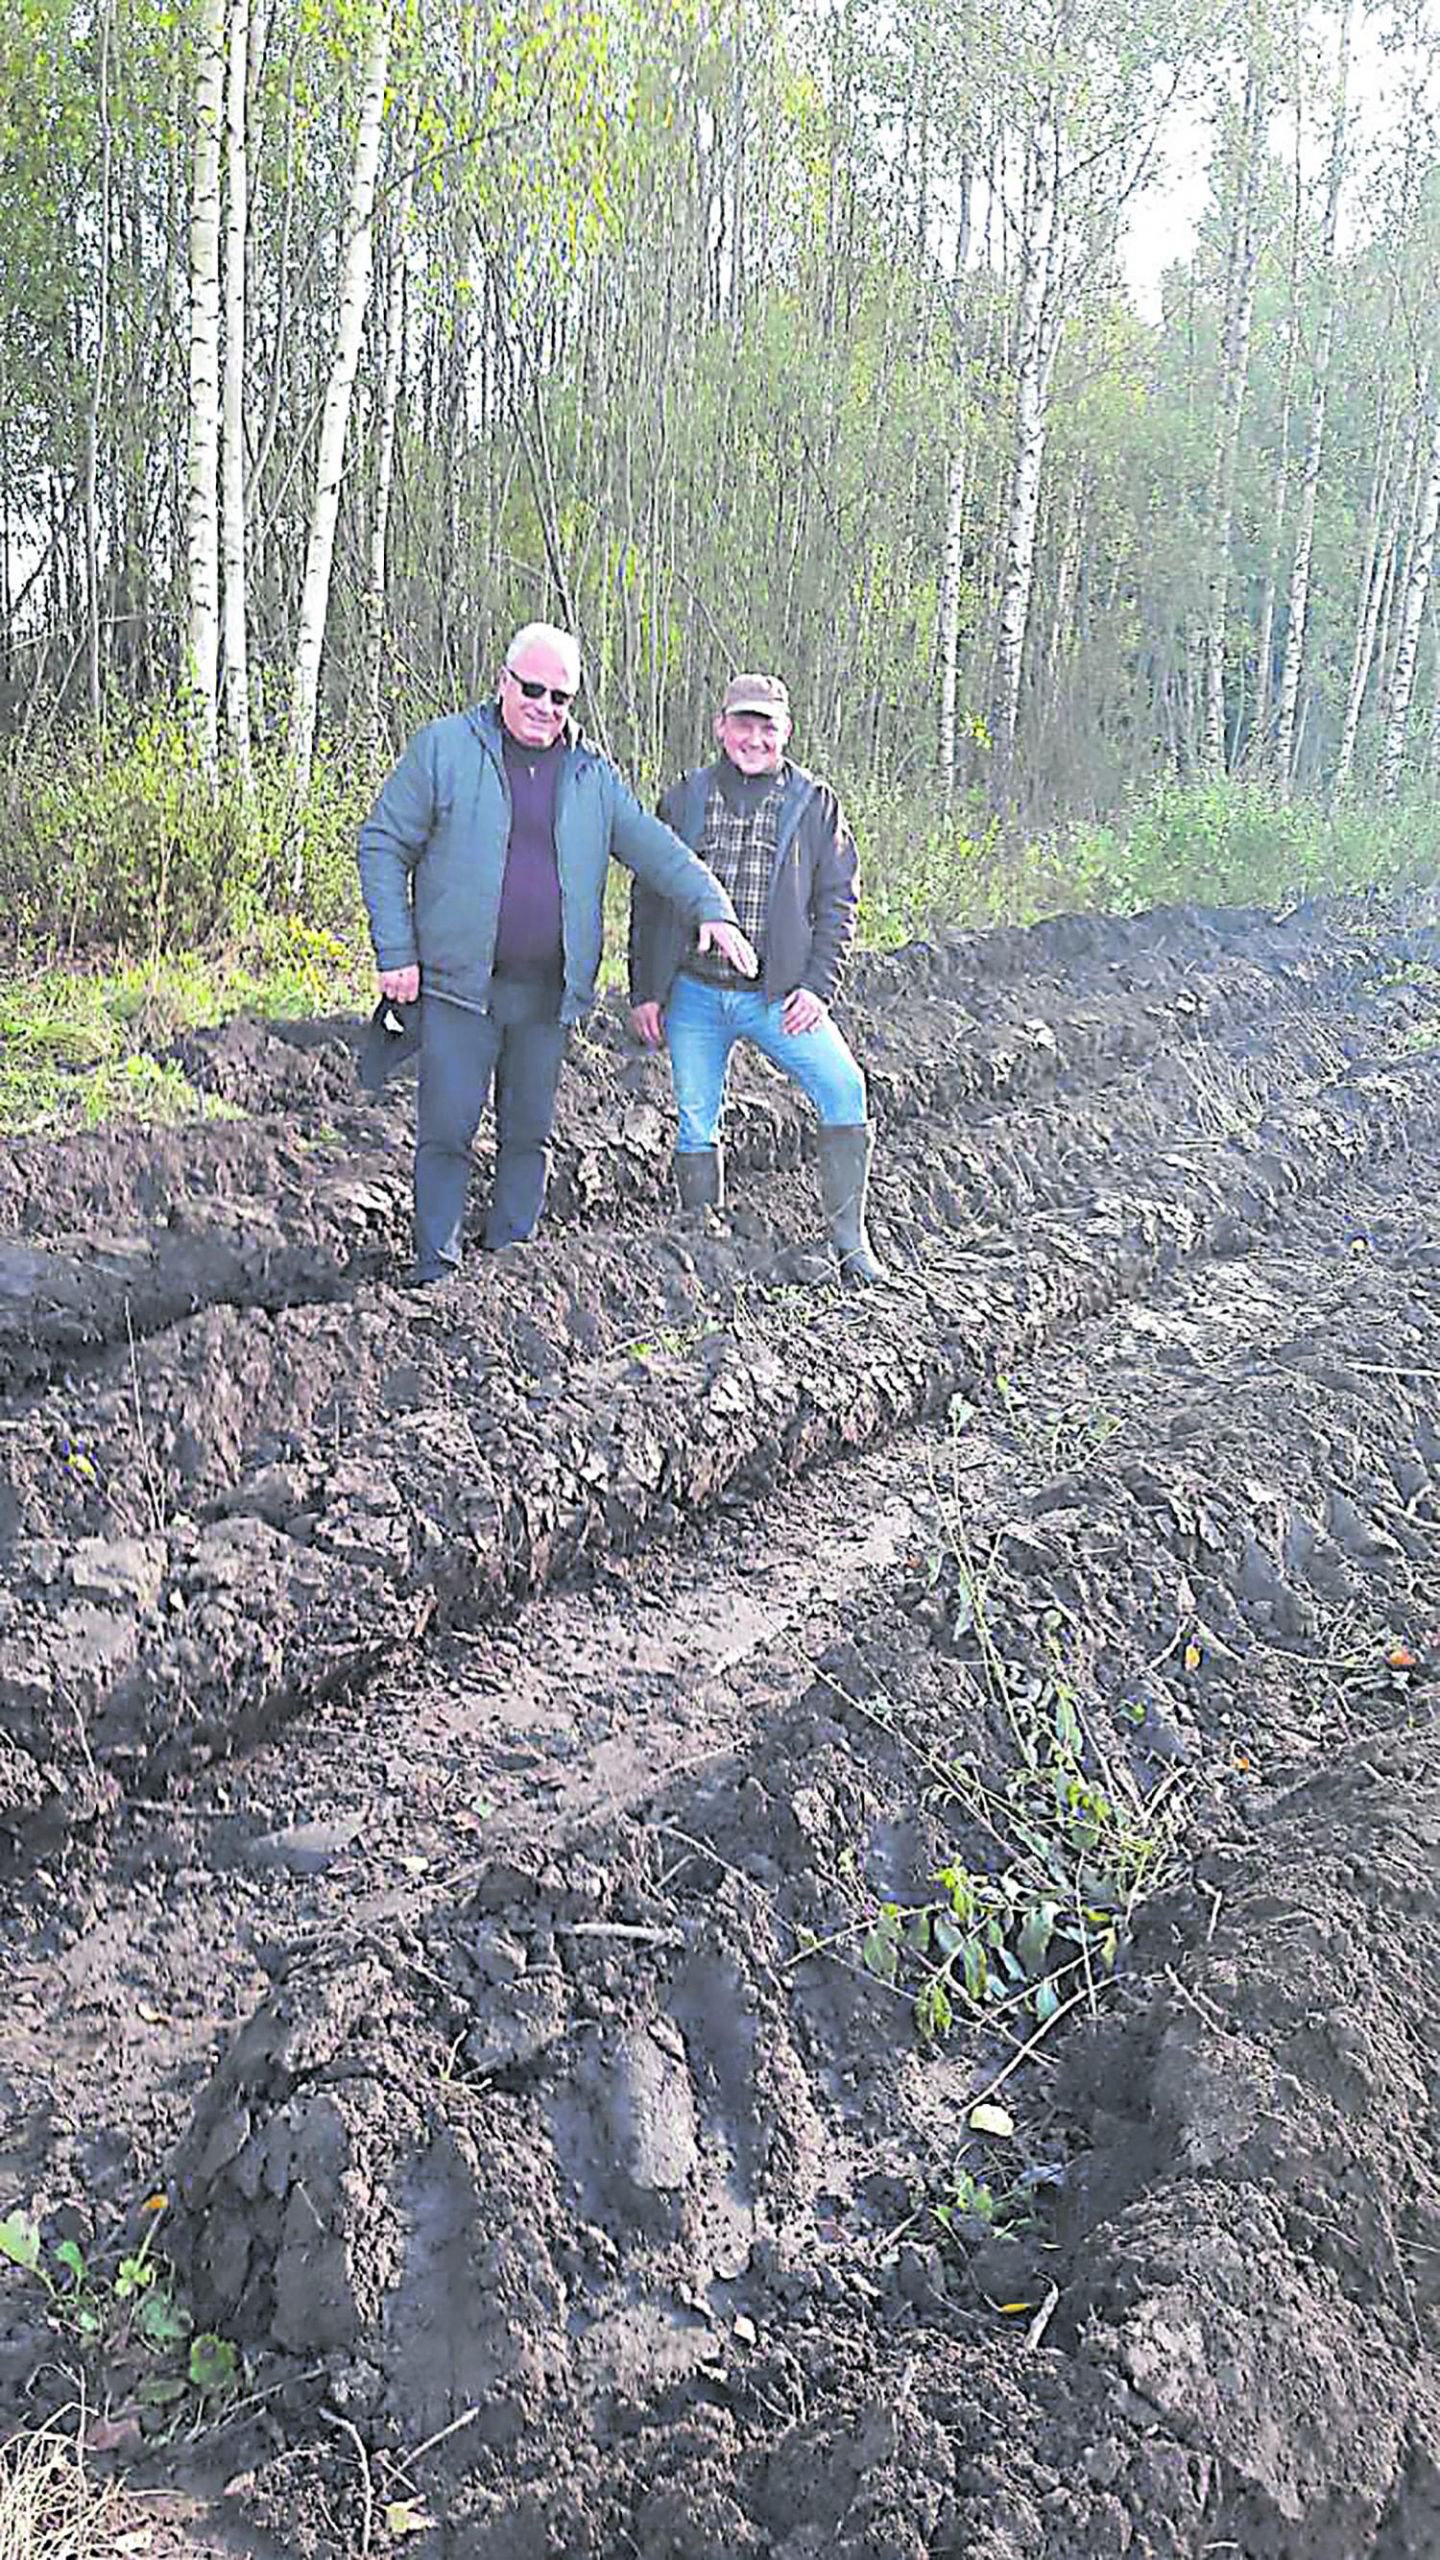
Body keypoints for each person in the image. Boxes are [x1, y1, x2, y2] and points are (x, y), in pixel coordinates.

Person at [357, 622, 757, 1284]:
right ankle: (436, 1271)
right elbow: (382, 843)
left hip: (547, 996)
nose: (544, 707)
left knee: (528, 1138)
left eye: (560, 696)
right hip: (461, 988)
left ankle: (508, 1273)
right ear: (503, 683)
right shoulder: (445, 750)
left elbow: (654, 849)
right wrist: (396, 950)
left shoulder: (591, 776)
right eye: (532, 690)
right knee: (447, 1136)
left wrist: (710, 906)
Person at [628, 672, 883, 1284]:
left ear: (785, 731)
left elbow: (838, 904)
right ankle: (704, 1248)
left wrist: (818, 988)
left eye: (766, 725)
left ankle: (850, 1241)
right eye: (743, 722)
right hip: (694, 993)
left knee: (844, 1088)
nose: (754, 736)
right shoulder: (685, 799)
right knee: (695, 1118)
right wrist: (645, 991)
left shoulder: (815, 805)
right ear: (720, 726)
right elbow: (651, 900)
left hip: (776, 996)